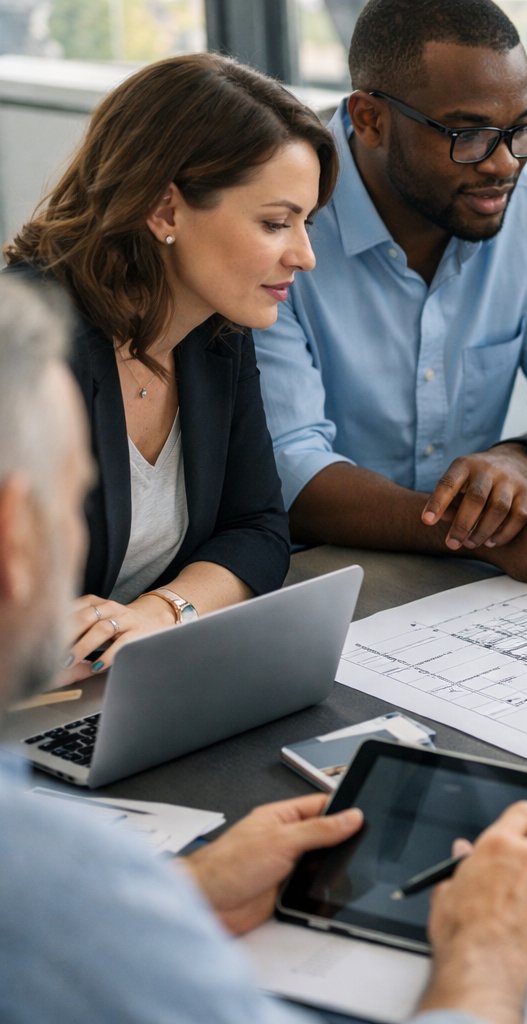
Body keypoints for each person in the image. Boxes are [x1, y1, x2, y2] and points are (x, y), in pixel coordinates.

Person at [0, 277, 527, 1023]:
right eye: (76, 495)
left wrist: (179, 893)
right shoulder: (40, 866)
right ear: (17, 540)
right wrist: (489, 952)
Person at [254, 0, 527, 589]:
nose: (503, 164)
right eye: (468, 134)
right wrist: (490, 535)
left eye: (520, 129)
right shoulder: (280, 221)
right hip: (311, 575)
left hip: (467, 586)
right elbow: (289, 470)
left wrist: (522, 458)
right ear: (369, 119)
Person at [4, 53, 327, 680]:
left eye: (306, 223)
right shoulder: (24, 349)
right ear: (166, 210)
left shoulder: (217, 329)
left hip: (131, 681)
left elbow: (258, 528)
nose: (305, 256)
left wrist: (161, 612)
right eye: (275, 223)